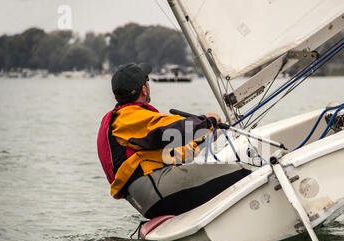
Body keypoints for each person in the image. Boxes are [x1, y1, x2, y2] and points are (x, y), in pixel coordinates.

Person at [97, 63, 251, 221]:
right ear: (144, 89)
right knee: (245, 173)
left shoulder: (128, 125)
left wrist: (208, 136)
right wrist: (208, 121)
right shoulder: (127, 118)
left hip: (151, 200)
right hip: (157, 192)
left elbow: (174, 153)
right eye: (147, 81)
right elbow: (174, 129)